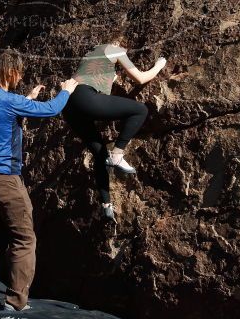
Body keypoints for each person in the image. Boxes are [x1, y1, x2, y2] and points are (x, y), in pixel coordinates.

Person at [0, 50, 78, 312]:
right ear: (10, 72)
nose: (20, 77)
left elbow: (2, 119)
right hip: (4, 178)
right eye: (18, 72)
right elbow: (51, 109)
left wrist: (26, 100)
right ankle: (16, 301)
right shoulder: (7, 100)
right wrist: (67, 90)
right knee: (24, 238)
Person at [63, 42, 166, 221]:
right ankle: (118, 154)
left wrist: (113, 76)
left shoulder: (91, 55)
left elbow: (99, 77)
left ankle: (106, 205)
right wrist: (159, 65)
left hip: (69, 105)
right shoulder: (115, 49)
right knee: (140, 110)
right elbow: (140, 78)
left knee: (100, 153)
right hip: (85, 97)